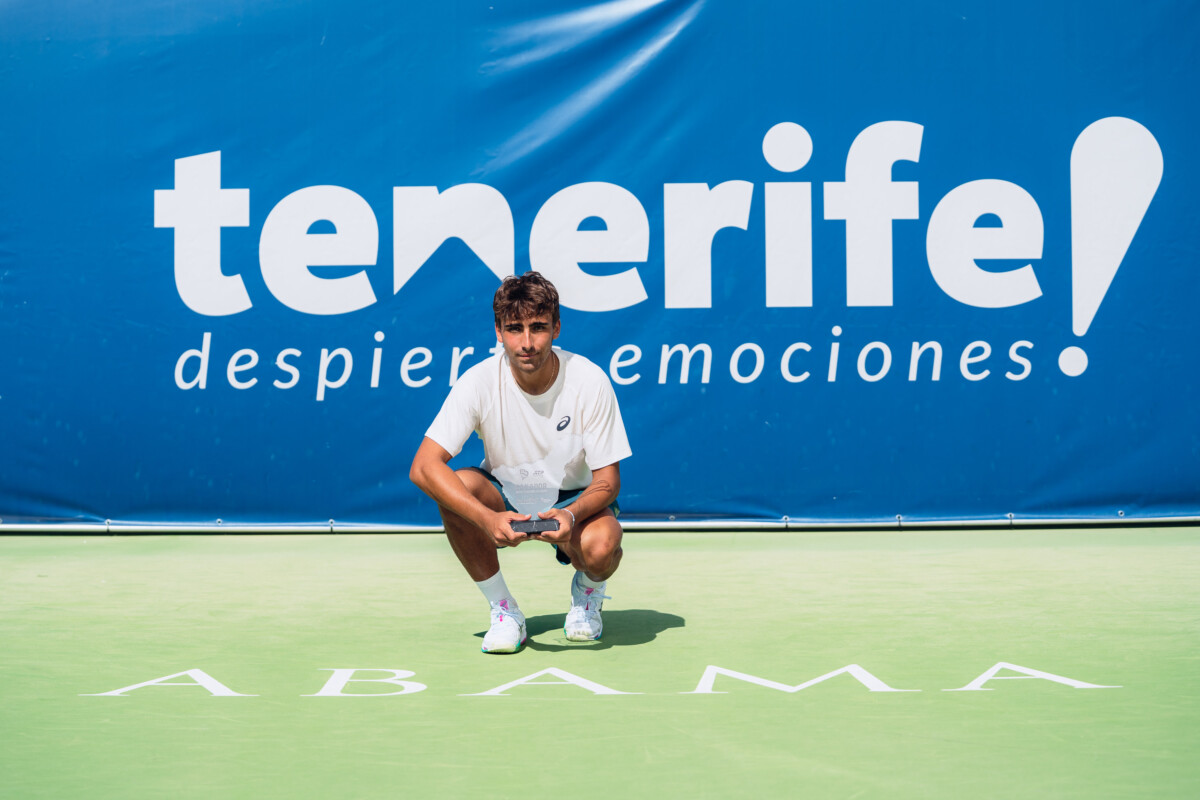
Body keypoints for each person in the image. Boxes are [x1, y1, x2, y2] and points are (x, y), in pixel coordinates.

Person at [409, 272, 632, 653]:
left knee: (602, 548)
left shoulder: (589, 380)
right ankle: (504, 611)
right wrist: (486, 519)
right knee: (455, 488)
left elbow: (608, 481)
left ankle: (587, 593)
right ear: (498, 332)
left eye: (538, 328)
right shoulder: (478, 381)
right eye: (514, 329)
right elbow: (423, 467)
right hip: (504, 496)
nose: (526, 343)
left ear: (556, 328)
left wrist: (572, 515)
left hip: (573, 500)